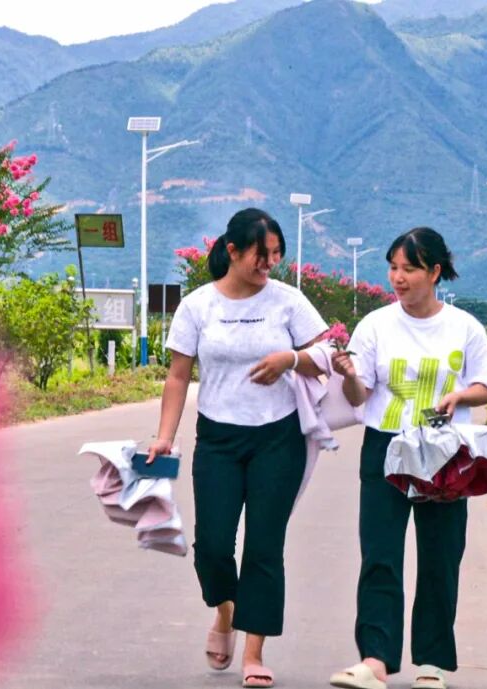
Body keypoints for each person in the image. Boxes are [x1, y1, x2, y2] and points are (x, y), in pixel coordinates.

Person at [148, 208, 327, 689]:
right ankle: (226, 611)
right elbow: (178, 376)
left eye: (276, 255)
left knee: (265, 546)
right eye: (260, 254)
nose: (269, 264)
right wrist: (165, 435)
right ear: (232, 251)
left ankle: (254, 652)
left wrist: (291, 358)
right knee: (212, 546)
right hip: (218, 439)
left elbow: (326, 354)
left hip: (278, 437)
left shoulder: (288, 301)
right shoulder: (198, 306)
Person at [328, 227, 487, 689]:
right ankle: (375, 661)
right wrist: (348, 375)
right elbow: (359, 395)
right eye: (393, 268)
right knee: (380, 555)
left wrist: (460, 395)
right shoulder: (375, 325)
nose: (398, 278)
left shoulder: (464, 327)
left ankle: (432, 663)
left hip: (444, 453)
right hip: (386, 448)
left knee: (440, 557)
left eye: (409, 269)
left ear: (435, 272)